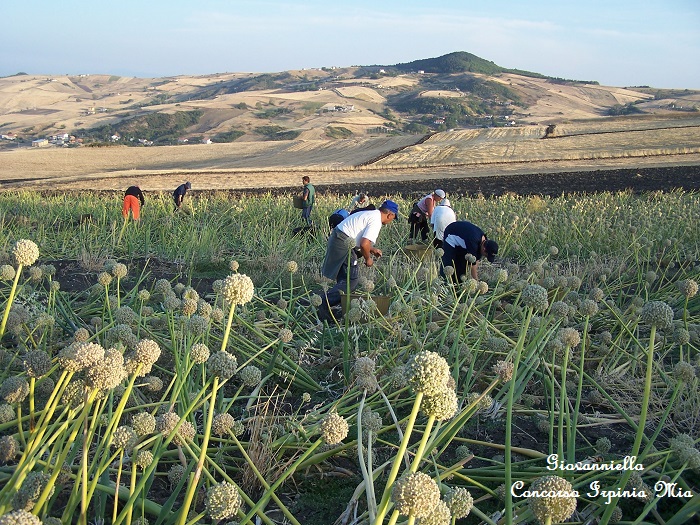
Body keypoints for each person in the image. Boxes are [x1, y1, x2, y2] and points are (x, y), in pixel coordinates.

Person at [319, 200, 399, 321]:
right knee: (352, 280)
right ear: (390, 215)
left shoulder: (371, 214)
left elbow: (360, 239)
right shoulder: (376, 221)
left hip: (340, 237)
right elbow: (364, 243)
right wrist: (368, 259)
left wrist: (371, 249)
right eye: (393, 218)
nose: (391, 221)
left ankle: (336, 308)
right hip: (343, 241)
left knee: (344, 278)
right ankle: (324, 304)